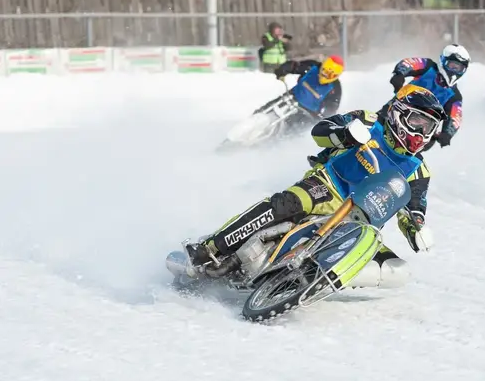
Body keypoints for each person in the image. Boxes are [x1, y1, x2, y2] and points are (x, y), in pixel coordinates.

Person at [186, 84, 446, 288]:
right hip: (327, 187)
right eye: (417, 123)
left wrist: (417, 229)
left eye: (429, 128)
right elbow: (321, 130)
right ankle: (211, 248)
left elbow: (414, 206)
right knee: (283, 205)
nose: (421, 134)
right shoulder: (368, 121)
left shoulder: (419, 170)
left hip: (363, 221)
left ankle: (310, 282)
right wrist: (345, 134)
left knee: (396, 269)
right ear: (399, 112)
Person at [307, 44, 470, 167]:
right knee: (363, 128)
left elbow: (456, 118)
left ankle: (388, 185)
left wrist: (447, 134)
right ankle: (327, 157)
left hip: (420, 131)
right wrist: (399, 74)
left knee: (408, 159)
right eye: (452, 65)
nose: (455, 71)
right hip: (394, 111)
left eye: (460, 68)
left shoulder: (454, 96)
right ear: (443, 61)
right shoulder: (428, 67)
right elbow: (409, 63)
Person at [252, 55, 345, 133]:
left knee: (289, 132)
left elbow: (331, 109)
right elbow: (294, 66)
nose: (324, 74)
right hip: (291, 97)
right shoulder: (312, 67)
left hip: (308, 114)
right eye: (323, 70)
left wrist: (322, 117)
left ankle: (271, 146)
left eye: (328, 74)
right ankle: (250, 122)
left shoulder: (335, 89)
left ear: (335, 76)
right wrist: (283, 70)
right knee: (266, 109)